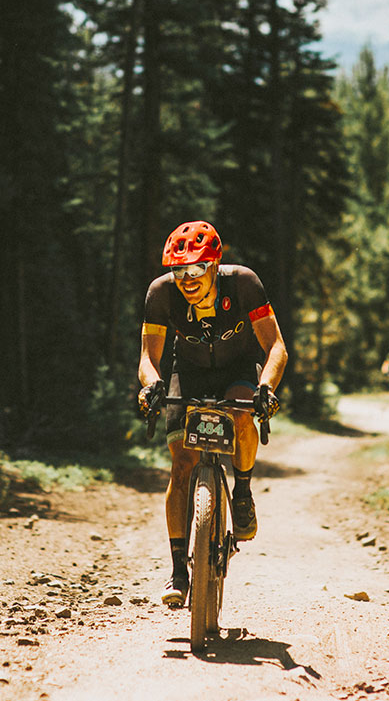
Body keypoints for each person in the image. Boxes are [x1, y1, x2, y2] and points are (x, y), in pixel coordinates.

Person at [137, 220, 287, 607]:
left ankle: (242, 492)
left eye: (197, 269)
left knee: (241, 417)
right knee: (181, 464)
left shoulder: (243, 284)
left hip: (237, 369)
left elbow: (275, 348)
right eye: (179, 270)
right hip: (185, 372)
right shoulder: (161, 294)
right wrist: (151, 384)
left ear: (215, 266)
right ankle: (177, 573)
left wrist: (267, 387)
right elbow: (148, 359)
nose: (187, 279)